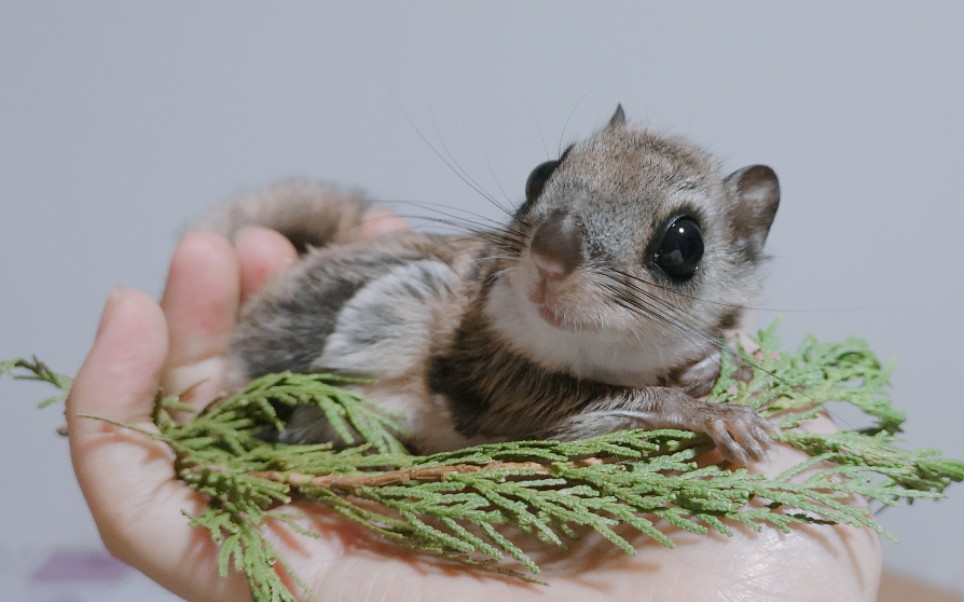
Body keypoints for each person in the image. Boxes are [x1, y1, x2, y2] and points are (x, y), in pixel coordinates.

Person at [66, 212, 882, 601]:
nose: (553, 264)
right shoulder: (494, 314)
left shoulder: (712, 337)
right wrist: (666, 407)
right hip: (331, 395)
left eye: (675, 251)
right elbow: (505, 414)